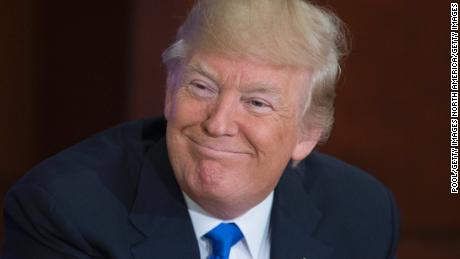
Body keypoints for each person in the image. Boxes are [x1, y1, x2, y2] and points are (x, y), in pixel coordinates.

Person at [2, 0, 400, 258]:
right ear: (170, 90)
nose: (218, 123)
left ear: (307, 134)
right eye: (202, 87)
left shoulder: (362, 215)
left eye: (256, 103)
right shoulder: (64, 211)